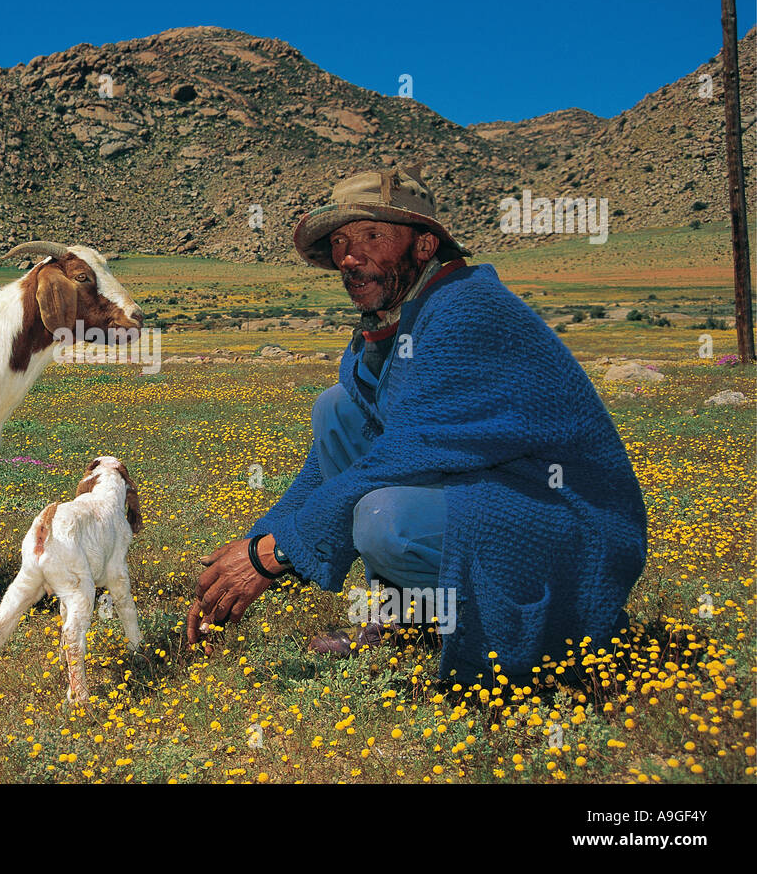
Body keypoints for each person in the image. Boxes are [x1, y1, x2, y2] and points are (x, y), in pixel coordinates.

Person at [185, 166, 647, 681]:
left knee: (386, 517)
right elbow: (330, 463)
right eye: (339, 242)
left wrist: (273, 554)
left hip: (561, 517)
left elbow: (410, 450)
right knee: (336, 409)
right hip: (492, 488)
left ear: (424, 246)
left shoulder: (466, 308)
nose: (350, 258)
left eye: (372, 237)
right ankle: (408, 617)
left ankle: (554, 633)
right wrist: (259, 542)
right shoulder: (389, 323)